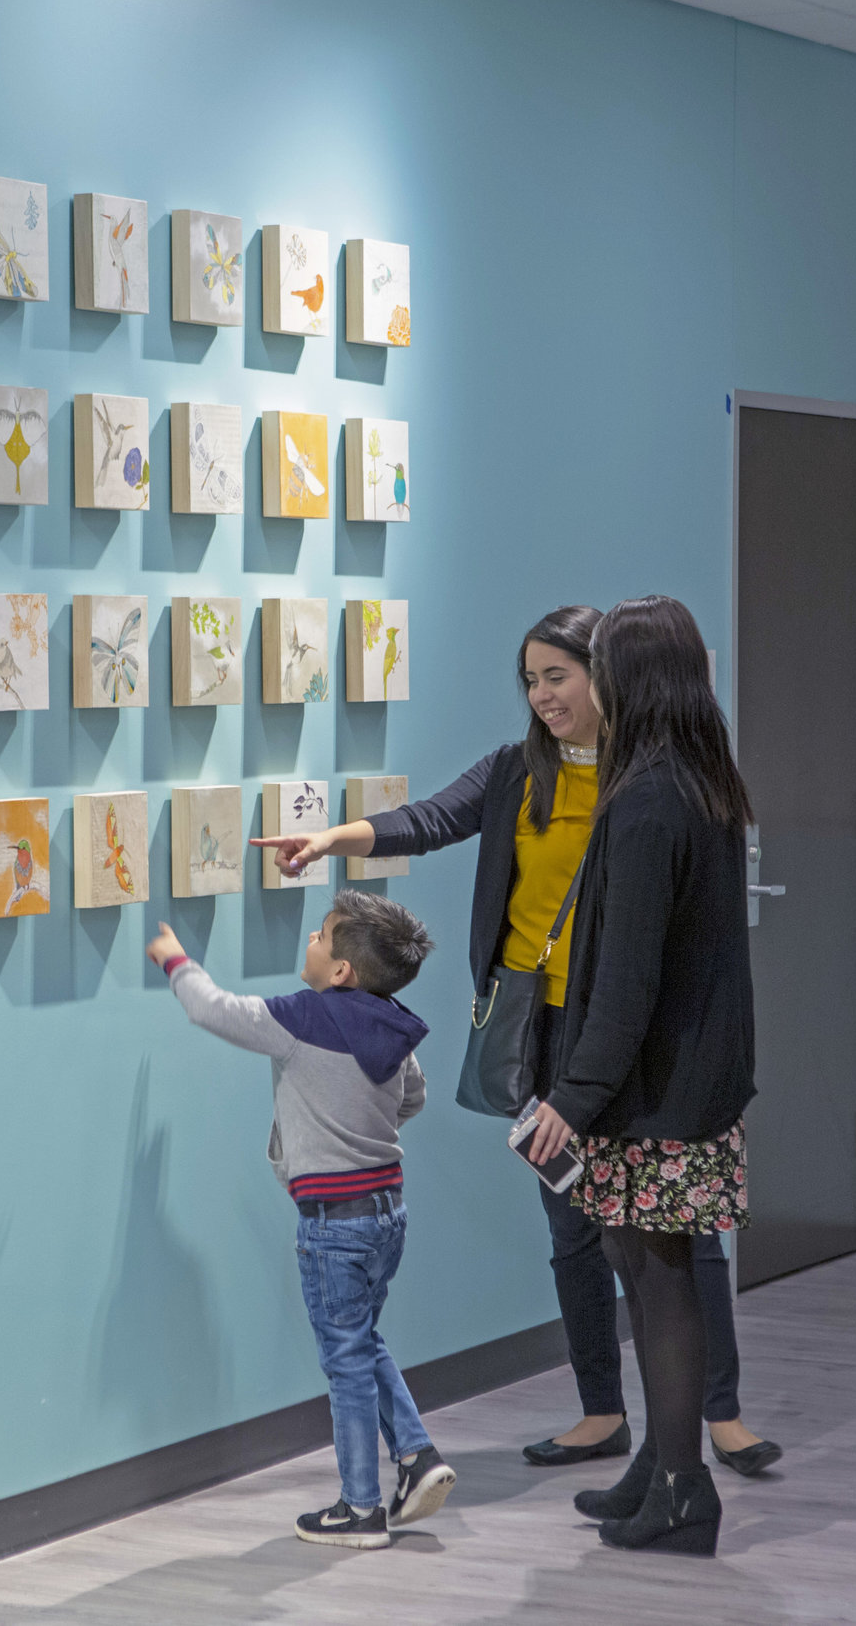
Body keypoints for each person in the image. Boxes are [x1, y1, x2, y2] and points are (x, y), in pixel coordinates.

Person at [253, 607, 779, 1491]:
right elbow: (431, 818)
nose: (543, 697)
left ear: (605, 677)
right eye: (530, 681)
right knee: (578, 1224)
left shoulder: (649, 781)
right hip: (547, 1025)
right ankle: (606, 1411)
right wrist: (336, 838)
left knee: (671, 1235)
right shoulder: (517, 772)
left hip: (631, 1032)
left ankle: (710, 1416)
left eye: (560, 676)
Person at [514, 594, 758, 1555]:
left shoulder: (652, 798)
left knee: (657, 1282)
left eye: (595, 664)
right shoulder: (691, 779)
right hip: (675, 1083)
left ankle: (686, 1487)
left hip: (656, 1092)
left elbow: (628, 976)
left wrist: (571, 1101)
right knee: (638, 1266)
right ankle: (658, 1463)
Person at [145, 892, 458, 1550]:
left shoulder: (302, 1017)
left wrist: (176, 958)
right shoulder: (394, 1027)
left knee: (343, 1357)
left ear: (340, 969)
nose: (310, 942)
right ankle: (417, 1453)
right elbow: (414, 1097)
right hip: (386, 1212)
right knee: (360, 1337)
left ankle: (360, 1507)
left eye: (320, 936)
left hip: (331, 1222)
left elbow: (213, 1009)